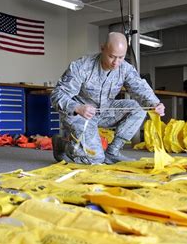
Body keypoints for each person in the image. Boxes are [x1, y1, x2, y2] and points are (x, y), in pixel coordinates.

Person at [50, 32, 165, 165]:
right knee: (95, 159)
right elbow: (57, 95)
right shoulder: (81, 66)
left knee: (138, 108)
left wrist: (155, 103)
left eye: (121, 57)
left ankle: (112, 152)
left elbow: (139, 88)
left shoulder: (125, 68)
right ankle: (62, 145)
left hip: (105, 111)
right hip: (80, 115)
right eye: (111, 56)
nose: (116, 62)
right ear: (102, 48)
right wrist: (77, 107)